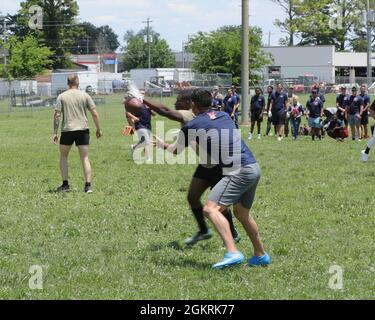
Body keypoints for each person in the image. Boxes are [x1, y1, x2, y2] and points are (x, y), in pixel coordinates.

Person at [156, 89, 270, 269]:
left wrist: (163, 145)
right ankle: (260, 255)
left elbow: (176, 151)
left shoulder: (192, 126)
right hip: (253, 167)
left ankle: (233, 252)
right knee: (241, 213)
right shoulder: (224, 115)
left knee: (210, 209)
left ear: (193, 104)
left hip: (237, 170)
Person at [133, 88, 241, 245]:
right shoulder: (191, 118)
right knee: (192, 197)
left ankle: (232, 233)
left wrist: (142, 100)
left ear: (189, 103)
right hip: (206, 164)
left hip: (219, 165)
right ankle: (204, 231)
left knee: (219, 205)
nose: (175, 102)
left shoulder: (188, 115)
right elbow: (177, 149)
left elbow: (165, 111)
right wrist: (164, 145)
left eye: (178, 100)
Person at [52, 74, 103, 193]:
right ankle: (88, 186)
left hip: (67, 130)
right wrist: (98, 129)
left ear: (67, 83)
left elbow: (57, 115)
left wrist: (54, 132)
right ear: (78, 82)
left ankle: (65, 185)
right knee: (84, 157)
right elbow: (95, 113)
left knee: (63, 157)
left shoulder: (61, 96)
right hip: (83, 130)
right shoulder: (85, 95)